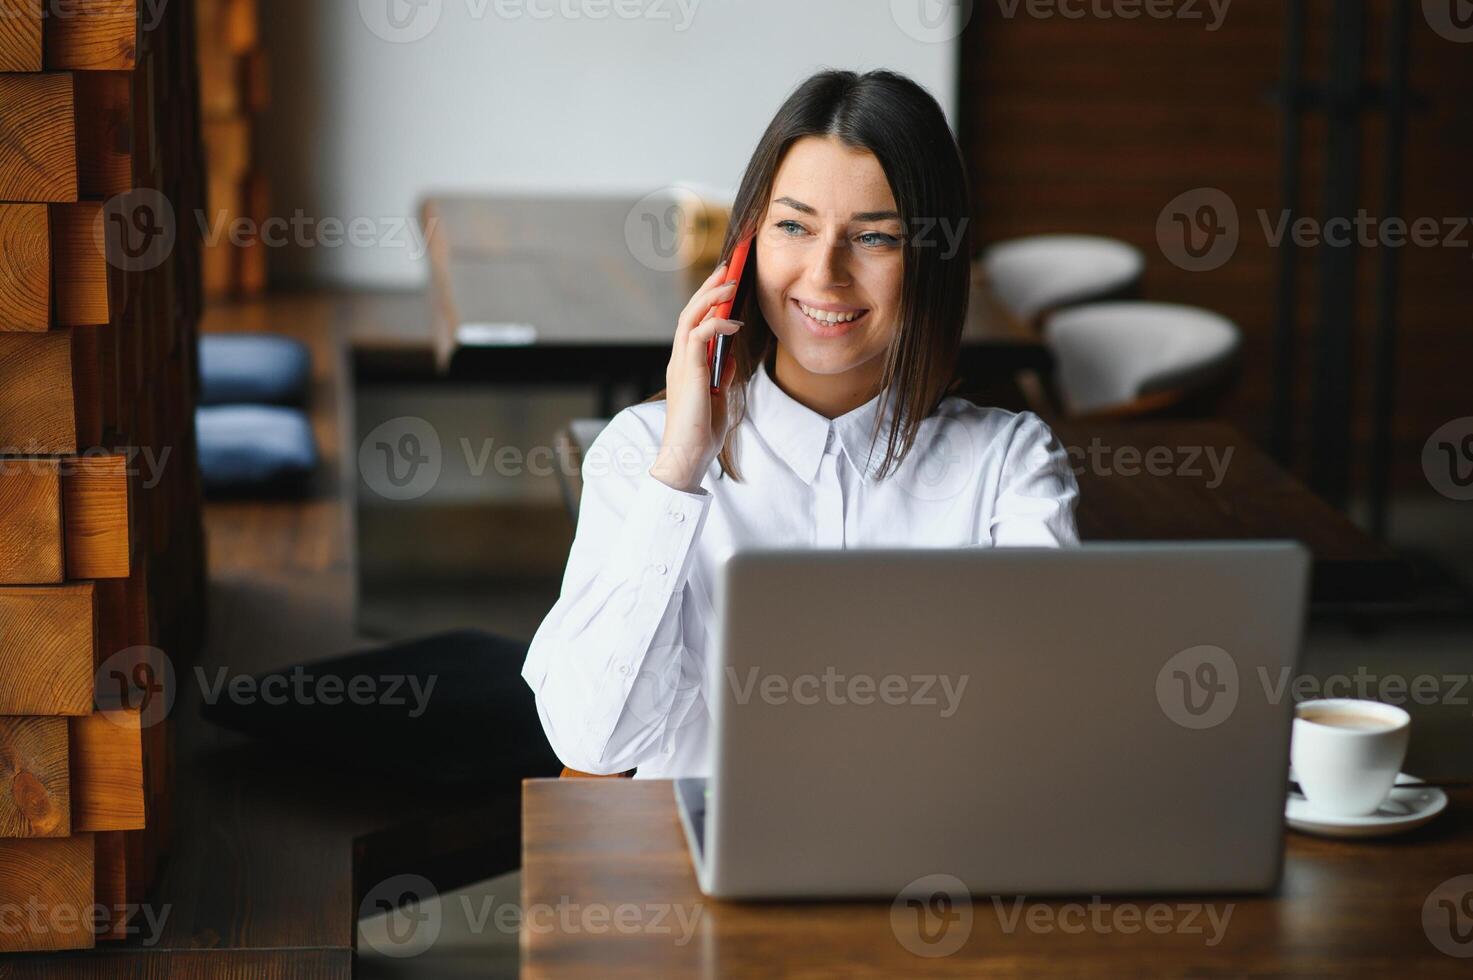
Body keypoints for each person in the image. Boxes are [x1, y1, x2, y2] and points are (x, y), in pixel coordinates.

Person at [522, 69, 1080, 778]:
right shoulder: (642, 452)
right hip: (696, 874)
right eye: (792, 226)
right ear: (745, 247)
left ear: (932, 259)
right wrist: (681, 469)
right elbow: (590, 742)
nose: (823, 274)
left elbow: (1043, 726)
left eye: (874, 239)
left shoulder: (1008, 466)